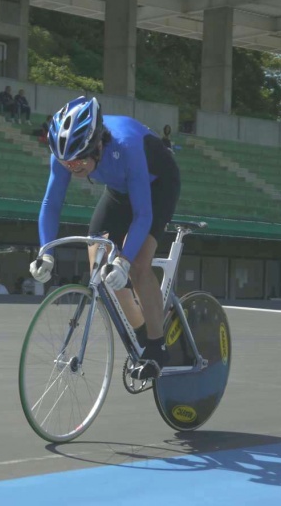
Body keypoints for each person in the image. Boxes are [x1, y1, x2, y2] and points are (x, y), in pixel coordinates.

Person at [29, 96, 181, 380]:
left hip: (158, 185)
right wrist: (45, 251)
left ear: (98, 144)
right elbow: (51, 203)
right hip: (119, 187)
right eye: (67, 164)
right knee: (98, 261)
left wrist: (123, 261)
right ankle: (141, 336)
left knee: (136, 265)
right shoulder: (67, 154)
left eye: (78, 163)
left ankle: (158, 345)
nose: (72, 169)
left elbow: (143, 216)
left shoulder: (126, 146)